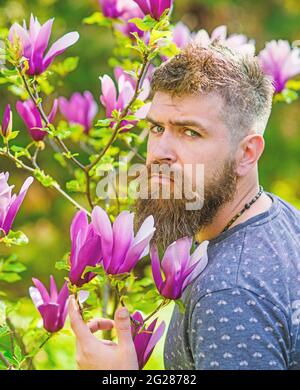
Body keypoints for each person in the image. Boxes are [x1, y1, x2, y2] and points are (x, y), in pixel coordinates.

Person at [69, 41, 300, 370]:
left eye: (190, 132)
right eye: (156, 127)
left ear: (247, 153)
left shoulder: (227, 292)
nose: (160, 151)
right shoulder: (282, 220)